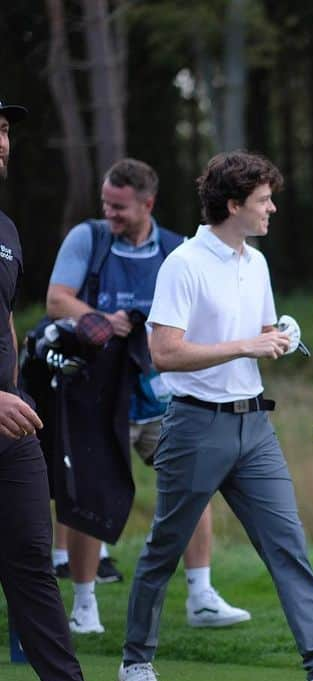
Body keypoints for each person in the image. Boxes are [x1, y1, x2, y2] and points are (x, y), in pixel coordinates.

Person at [117, 151, 313, 681]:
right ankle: (135, 661)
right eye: (263, 200)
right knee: (165, 547)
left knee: (287, 544)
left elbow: (263, 330)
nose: (272, 207)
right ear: (232, 205)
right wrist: (247, 344)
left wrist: (278, 333)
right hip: (196, 426)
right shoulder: (185, 262)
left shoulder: (257, 262)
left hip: (255, 426)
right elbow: (164, 353)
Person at [42, 157, 248, 635]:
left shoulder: (178, 251)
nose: (110, 214)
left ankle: (201, 596)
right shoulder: (88, 239)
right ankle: (85, 605)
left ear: (147, 204)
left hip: (158, 397)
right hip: (95, 395)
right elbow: (57, 300)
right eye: (106, 204)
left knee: (193, 486)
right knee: (92, 494)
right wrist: (100, 322)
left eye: (120, 207)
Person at [0, 98, 155, 681]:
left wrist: (14, 386)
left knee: (34, 565)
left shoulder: (5, 229)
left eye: (5, 129)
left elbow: (6, 320)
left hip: (13, 424)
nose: (2, 141)